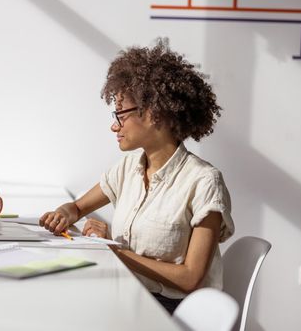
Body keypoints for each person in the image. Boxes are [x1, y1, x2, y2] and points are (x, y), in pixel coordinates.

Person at [39, 38, 235, 314]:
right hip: (131, 296)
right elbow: (78, 207)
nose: (113, 125)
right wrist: (65, 213)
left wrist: (116, 252)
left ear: (153, 114)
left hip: (174, 312)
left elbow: (191, 278)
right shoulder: (127, 169)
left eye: (121, 114)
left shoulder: (204, 182)